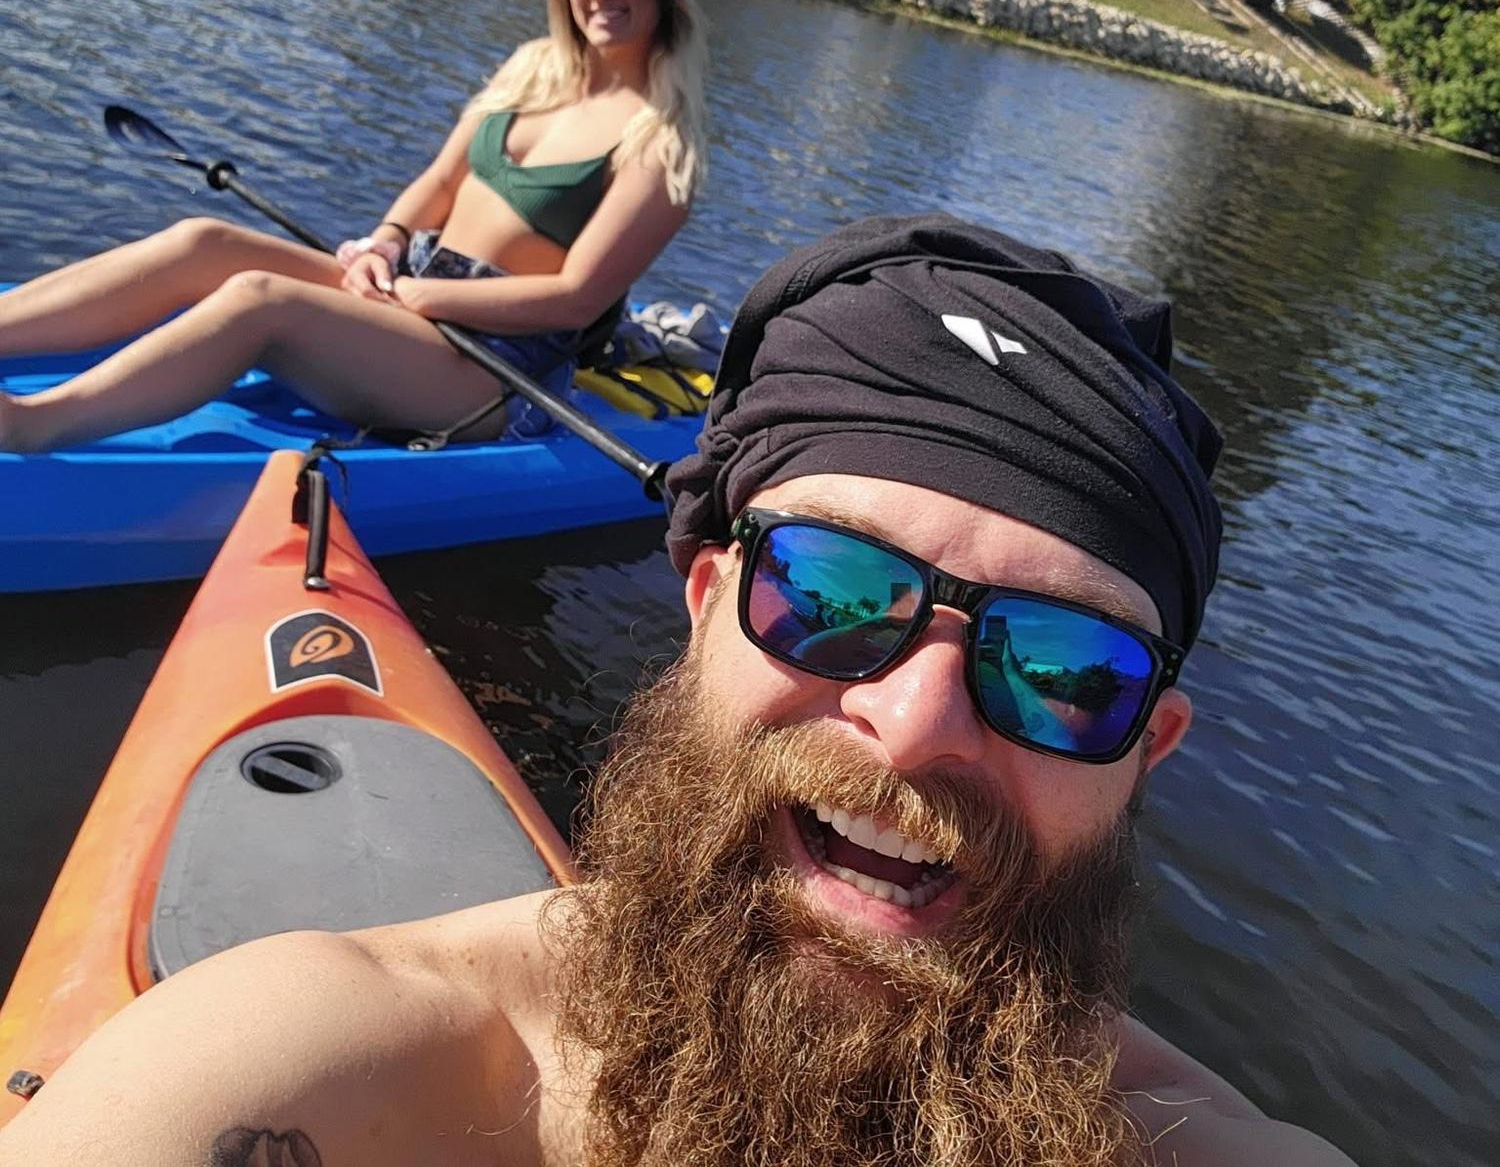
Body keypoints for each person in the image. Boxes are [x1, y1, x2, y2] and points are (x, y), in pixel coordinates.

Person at [0, 215, 1358, 1167]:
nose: (920, 720)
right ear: (706, 608)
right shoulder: (319, 1067)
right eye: (830, 593)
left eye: (1065, 672)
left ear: (1150, 749)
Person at [0, 0, 707, 453]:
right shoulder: (533, 68)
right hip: (414, 291)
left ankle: (34, 423)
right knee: (203, 240)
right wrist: (384, 244)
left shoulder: (662, 144)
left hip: (489, 370)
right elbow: (436, 186)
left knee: (260, 297)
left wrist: (420, 295)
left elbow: (574, 300)